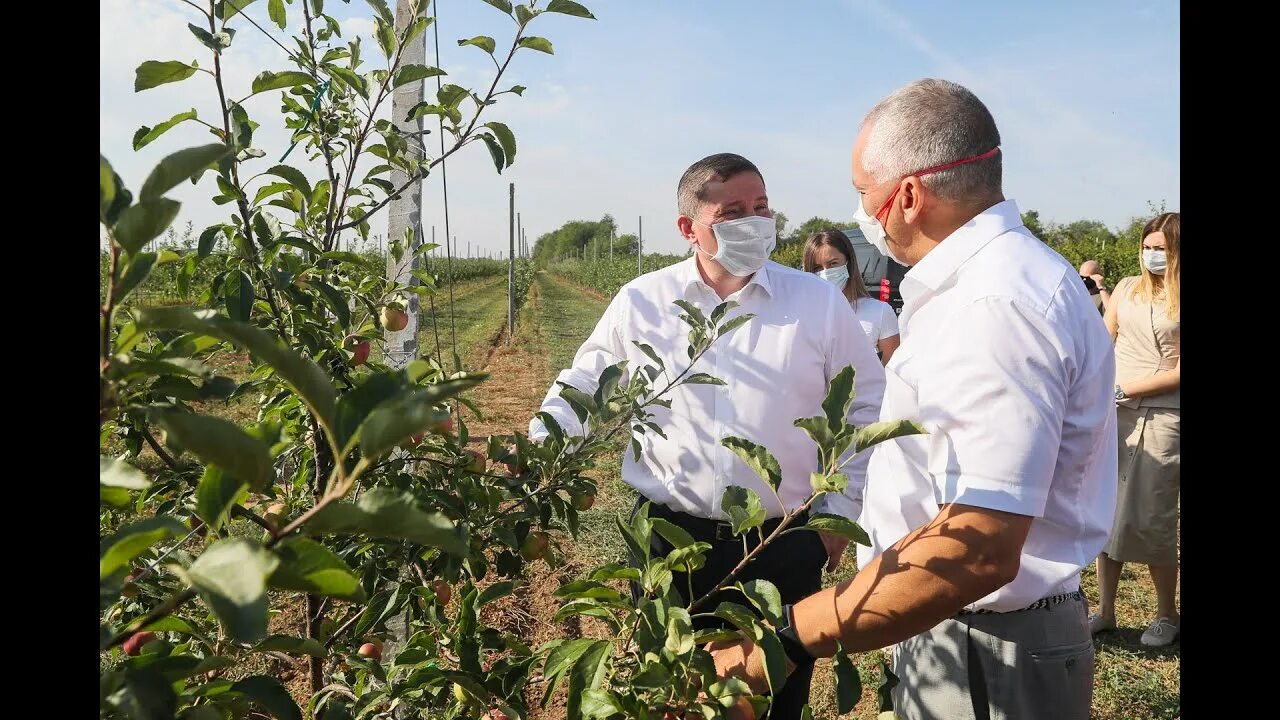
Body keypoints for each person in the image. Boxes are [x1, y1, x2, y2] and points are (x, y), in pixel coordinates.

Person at [708, 79, 1117, 720]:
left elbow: (976, 546)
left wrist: (780, 640)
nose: (863, 214)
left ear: (906, 195)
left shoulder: (993, 306)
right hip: (963, 634)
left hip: (988, 650)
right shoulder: (990, 285)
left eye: (861, 194)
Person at [529, 153, 885, 718]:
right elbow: (584, 386)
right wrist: (537, 454)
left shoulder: (815, 303)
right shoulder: (643, 301)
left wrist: (837, 515)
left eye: (762, 206)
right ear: (688, 227)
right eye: (734, 210)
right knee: (670, 693)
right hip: (670, 540)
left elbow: (869, 403)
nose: (755, 221)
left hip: (781, 543)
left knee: (771, 695)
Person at [1089, 212, 1181, 647]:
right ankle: (1105, 610)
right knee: (1108, 510)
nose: (1151, 255)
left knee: (1152, 515)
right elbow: (1104, 337)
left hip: (1162, 415)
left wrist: (1128, 388)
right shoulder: (1126, 288)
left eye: (1160, 248)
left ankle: (1166, 613)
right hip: (1115, 412)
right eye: (1147, 246)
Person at [802, 229, 901, 365]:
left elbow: (891, 372)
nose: (826, 273)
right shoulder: (803, 316)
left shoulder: (879, 312)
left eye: (833, 264)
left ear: (848, 263)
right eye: (817, 268)